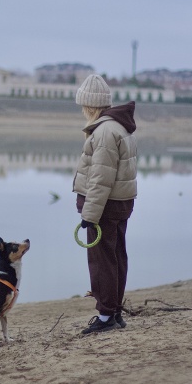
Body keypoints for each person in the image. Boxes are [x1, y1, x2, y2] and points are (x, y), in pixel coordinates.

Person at [72, 74, 137, 334]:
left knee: (101, 261)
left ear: (90, 105)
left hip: (105, 206)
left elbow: (100, 179)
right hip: (120, 203)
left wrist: (90, 214)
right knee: (116, 257)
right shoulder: (118, 127)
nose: (82, 110)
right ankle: (114, 312)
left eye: (83, 105)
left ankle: (106, 316)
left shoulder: (104, 131)